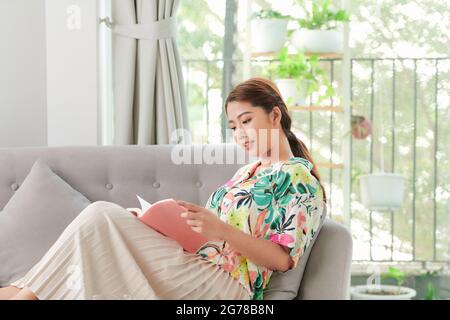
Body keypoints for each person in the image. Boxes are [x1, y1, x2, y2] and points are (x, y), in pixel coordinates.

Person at [0, 77, 326, 300]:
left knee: (100, 215)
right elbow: (204, 232)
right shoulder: (247, 173)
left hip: (228, 286)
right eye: (232, 126)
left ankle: (22, 293)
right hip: (198, 262)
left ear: (274, 116)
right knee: (104, 219)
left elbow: (281, 260)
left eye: (246, 120)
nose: (240, 133)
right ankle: (23, 292)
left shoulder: (299, 181)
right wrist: (150, 222)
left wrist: (221, 230)